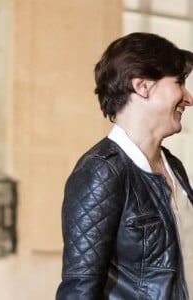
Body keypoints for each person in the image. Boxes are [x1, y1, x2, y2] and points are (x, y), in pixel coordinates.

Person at [56, 32, 193, 300]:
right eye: (179, 83)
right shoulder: (101, 171)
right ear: (143, 86)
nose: (188, 98)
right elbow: (79, 290)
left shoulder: (173, 166)